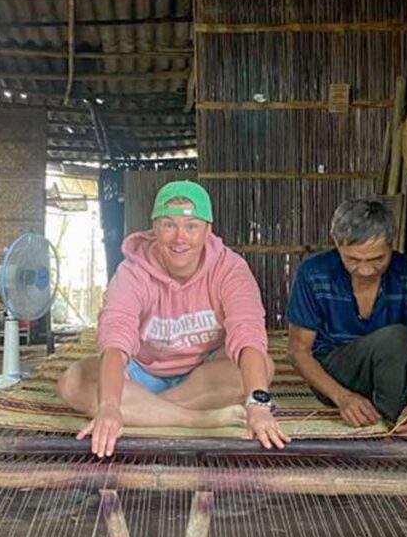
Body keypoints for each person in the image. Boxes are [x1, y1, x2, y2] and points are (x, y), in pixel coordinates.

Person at [58, 180, 288, 457]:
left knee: (263, 366)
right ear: (154, 227)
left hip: (204, 372)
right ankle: (199, 419)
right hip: (140, 372)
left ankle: (145, 413)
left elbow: (247, 333)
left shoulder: (230, 269)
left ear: (207, 230)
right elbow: (116, 337)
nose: (180, 238)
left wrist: (258, 406)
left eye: (191, 226)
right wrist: (108, 407)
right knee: (73, 382)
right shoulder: (132, 271)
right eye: (169, 225)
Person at [286, 198, 407, 436]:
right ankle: (391, 431)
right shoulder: (313, 273)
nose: (366, 270)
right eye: (353, 259)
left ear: (392, 245)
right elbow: (298, 352)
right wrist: (343, 397)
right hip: (339, 374)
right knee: (395, 338)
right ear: (336, 242)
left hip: (397, 370)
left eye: (377, 259)